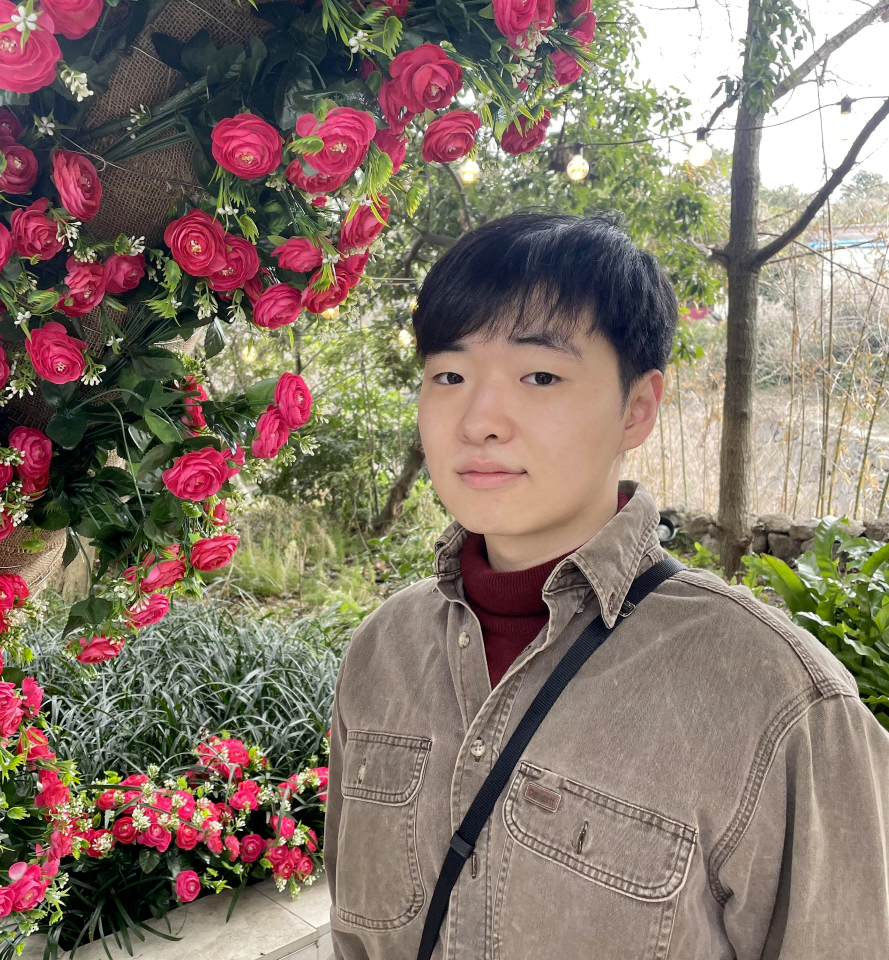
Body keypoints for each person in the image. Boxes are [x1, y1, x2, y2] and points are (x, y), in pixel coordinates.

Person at [322, 212, 889, 959]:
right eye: (449, 376)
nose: (479, 420)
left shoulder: (777, 700)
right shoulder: (383, 651)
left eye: (540, 376)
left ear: (637, 409)